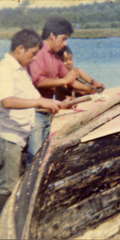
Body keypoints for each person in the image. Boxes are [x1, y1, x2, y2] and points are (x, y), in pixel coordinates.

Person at [0, 29, 62, 211]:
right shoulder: (5, 69)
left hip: (19, 138)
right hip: (8, 138)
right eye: (33, 54)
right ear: (20, 49)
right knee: (8, 188)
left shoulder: (20, 70)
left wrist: (53, 104)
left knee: (16, 185)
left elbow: (30, 101)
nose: (35, 59)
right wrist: (39, 101)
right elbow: (7, 101)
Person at [27, 17, 91, 164]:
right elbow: (38, 81)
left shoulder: (55, 56)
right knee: (34, 157)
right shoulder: (37, 52)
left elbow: (70, 80)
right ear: (52, 35)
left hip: (46, 112)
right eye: (63, 39)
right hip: (33, 112)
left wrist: (92, 89)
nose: (65, 44)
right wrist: (63, 81)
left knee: (42, 156)